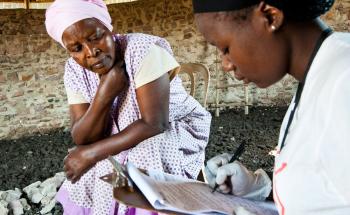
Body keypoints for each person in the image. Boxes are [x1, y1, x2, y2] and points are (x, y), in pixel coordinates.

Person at [45, 0, 211, 214]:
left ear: (108, 28)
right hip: (125, 129)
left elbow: (155, 124)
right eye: (76, 49)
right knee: (101, 163)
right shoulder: (74, 71)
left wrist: (91, 154)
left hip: (175, 125)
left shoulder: (143, 50)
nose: (90, 51)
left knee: (139, 153)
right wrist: (104, 94)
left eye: (95, 37)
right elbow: (82, 137)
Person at [193, 0, 350, 214]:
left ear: (270, 17)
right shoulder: (318, 75)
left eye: (226, 48)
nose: (226, 64)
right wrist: (259, 188)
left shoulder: (344, 81)